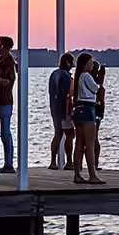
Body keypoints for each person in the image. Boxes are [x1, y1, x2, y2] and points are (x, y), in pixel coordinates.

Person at [70, 52, 104, 184]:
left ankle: (77, 174)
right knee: (89, 144)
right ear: (85, 64)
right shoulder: (86, 76)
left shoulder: (78, 76)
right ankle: (92, 174)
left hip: (79, 110)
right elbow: (96, 89)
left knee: (79, 143)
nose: (92, 64)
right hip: (88, 109)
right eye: (90, 62)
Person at [0, 36, 19, 173]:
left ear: (3, 46)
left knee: (5, 133)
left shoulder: (10, 63)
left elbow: (10, 81)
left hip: (5, 101)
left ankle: (8, 163)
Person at [48, 53, 74, 169]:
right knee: (69, 134)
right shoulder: (66, 76)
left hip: (54, 108)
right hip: (64, 108)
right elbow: (68, 93)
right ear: (68, 62)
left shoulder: (54, 74)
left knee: (57, 134)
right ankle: (69, 162)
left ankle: (53, 161)